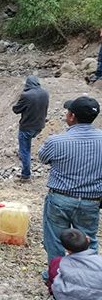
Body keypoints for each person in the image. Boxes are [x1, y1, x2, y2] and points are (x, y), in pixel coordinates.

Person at [38, 96, 102, 266]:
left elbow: (43, 158)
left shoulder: (56, 141)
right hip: (91, 201)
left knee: (56, 242)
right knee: (88, 241)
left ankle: (57, 278)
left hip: (60, 199)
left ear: (72, 116)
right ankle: (91, 277)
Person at [47, 229, 102, 300]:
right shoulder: (99, 261)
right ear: (88, 239)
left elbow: (51, 283)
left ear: (67, 249)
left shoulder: (58, 262)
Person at [12, 76, 49, 181]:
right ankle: (24, 159)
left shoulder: (26, 95)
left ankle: (26, 175)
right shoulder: (45, 93)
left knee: (25, 151)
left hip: (27, 127)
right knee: (25, 148)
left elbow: (16, 110)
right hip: (39, 126)